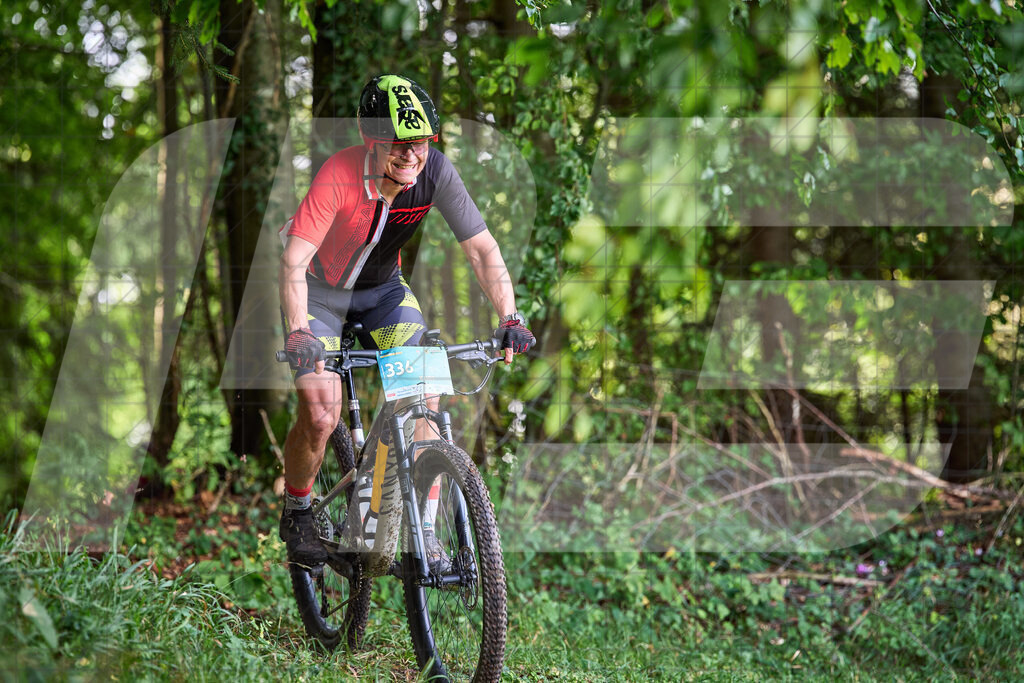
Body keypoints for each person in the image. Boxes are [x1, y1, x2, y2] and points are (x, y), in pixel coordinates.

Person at [277, 74, 535, 567]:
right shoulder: (338, 175)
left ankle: (425, 534)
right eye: (397, 145)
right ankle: (299, 508)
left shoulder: (435, 173)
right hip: (319, 297)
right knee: (319, 410)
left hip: (383, 294)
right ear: (370, 141)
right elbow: (293, 261)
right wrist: (299, 331)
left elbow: (482, 250)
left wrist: (510, 316)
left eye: (419, 144)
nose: (411, 155)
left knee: (425, 398)